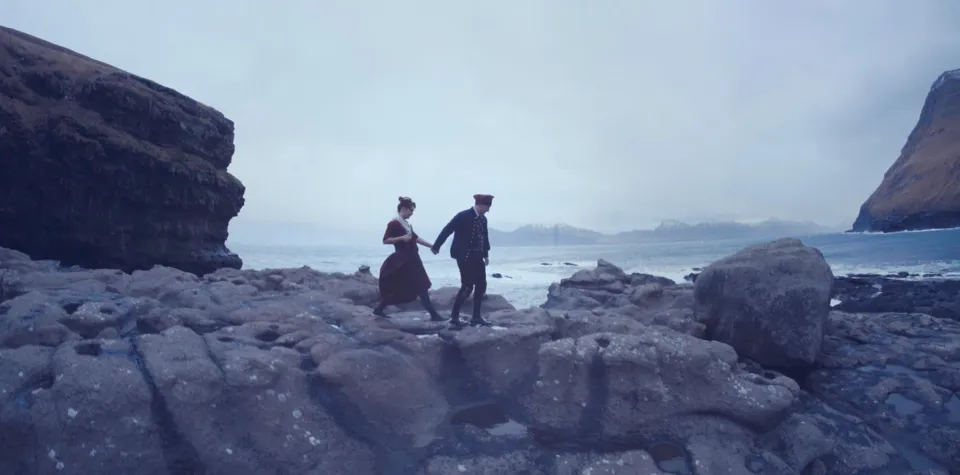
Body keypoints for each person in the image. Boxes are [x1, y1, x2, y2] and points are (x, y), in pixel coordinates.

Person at [373, 196, 444, 321]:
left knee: (413, 285)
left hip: (412, 258)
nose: (412, 213)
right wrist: (401, 238)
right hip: (402, 260)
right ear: (404, 209)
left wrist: (432, 246)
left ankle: (379, 309)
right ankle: (434, 315)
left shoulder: (407, 225)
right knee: (420, 285)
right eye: (411, 210)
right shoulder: (394, 223)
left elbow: (416, 238)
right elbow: (385, 240)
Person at [431, 194, 494, 327]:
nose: (488, 210)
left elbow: (484, 237)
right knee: (467, 286)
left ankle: (476, 317)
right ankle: (454, 317)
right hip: (464, 256)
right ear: (480, 205)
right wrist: (437, 246)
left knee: (481, 285)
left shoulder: (483, 219)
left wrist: (486, 254)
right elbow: (447, 229)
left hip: (478, 256)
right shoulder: (463, 216)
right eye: (487, 207)